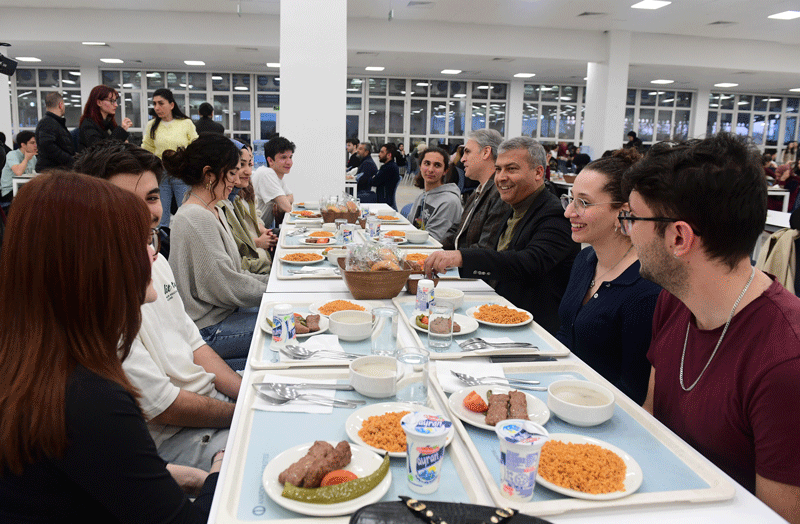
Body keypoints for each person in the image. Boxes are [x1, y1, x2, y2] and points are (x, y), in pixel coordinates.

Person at [0, 171, 220, 522]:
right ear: (96, 264)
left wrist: (193, 478)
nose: (152, 253)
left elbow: (108, 474)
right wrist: (219, 473)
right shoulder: (89, 398)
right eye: (139, 243)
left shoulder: (36, 363)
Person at [622, 133, 800, 523]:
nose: (627, 230)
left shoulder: (785, 361)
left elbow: (778, 518)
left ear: (679, 237)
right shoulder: (675, 300)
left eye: (632, 218)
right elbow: (653, 427)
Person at [73, 140, 242, 467]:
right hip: (179, 434)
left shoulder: (155, 260)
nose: (147, 211)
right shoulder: (98, 300)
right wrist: (243, 414)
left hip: (211, 402)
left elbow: (193, 343)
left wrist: (246, 394)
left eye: (152, 198)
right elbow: (164, 406)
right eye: (125, 201)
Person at [425, 137, 579, 335]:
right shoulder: (514, 206)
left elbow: (530, 262)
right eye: (498, 169)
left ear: (539, 172)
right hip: (497, 312)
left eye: (511, 169)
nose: (501, 177)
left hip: (531, 329)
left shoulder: (554, 213)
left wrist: (461, 256)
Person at [557, 148, 661, 405]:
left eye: (583, 202)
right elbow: (565, 336)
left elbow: (633, 389)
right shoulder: (585, 260)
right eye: (570, 199)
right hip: (563, 394)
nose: (569, 212)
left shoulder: (646, 287)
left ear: (623, 211)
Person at [164, 133, 267, 368]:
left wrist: (273, 285)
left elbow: (233, 273)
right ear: (209, 174)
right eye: (231, 173)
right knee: (287, 327)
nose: (234, 180)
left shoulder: (214, 209)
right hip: (208, 329)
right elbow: (226, 284)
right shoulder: (195, 217)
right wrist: (274, 290)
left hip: (226, 314)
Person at [441, 129, 509, 250]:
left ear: (486, 152)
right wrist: (436, 249)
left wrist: (451, 257)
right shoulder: (480, 189)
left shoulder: (499, 193)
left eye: (467, 152)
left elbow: (485, 248)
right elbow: (457, 229)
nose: (462, 159)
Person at [142, 88, 199, 230]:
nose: (157, 108)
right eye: (154, 104)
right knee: (161, 214)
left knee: (185, 211)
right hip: (160, 173)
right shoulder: (152, 126)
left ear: (171, 105)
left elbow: (195, 146)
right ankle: (162, 246)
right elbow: (147, 149)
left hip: (181, 172)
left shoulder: (185, 123)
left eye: (161, 103)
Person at [218, 141, 277, 274]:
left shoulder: (238, 196)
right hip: (253, 263)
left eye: (250, 164)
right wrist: (258, 242)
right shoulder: (221, 203)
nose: (249, 171)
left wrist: (264, 232)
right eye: (240, 165)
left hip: (256, 258)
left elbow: (256, 217)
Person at [408, 147, 463, 244]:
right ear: (420, 166)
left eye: (437, 165)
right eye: (427, 163)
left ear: (445, 171)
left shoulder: (450, 202)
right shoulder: (421, 197)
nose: (430, 169)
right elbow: (409, 227)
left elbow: (434, 241)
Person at [251, 135, 295, 227]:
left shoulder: (277, 176)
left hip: (262, 229)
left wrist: (281, 203)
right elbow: (287, 207)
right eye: (283, 157)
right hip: (254, 233)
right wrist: (281, 204)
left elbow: (291, 197)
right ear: (270, 160)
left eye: (290, 157)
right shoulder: (266, 174)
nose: (289, 162)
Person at [77, 85, 132, 152]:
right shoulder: (88, 125)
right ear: (99, 102)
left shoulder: (107, 122)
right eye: (112, 101)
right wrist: (122, 130)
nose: (116, 105)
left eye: (115, 101)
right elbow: (101, 150)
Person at [34, 92, 75, 171]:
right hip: (52, 172)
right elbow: (47, 145)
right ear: (61, 105)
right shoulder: (48, 122)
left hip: (56, 170)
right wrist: (69, 159)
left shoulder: (53, 122)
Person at [1, 131, 37, 207]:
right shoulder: (12, 154)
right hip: (10, 191)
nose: (35, 145)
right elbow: (18, 172)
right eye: (32, 143)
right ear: (23, 145)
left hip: (25, 188)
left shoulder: (33, 158)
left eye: (36, 143)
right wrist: (26, 159)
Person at [373, 142, 400, 210]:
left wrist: (372, 177)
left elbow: (374, 182)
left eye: (382, 152)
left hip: (385, 203)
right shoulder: (391, 166)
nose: (379, 154)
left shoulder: (388, 168)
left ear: (389, 155)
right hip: (385, 199)